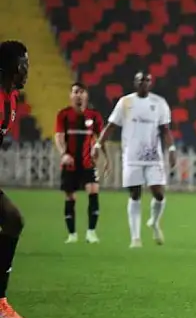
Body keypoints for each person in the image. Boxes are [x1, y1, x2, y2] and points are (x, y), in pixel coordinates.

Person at [93, 72, 175, 248]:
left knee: (159, 194)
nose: (143, 83)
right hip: (132, 156)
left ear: (151, 83)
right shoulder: (125, 102)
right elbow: (111, 125)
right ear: (135, 83)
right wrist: (99, 145)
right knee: (135, 194)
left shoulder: (159, 103)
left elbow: (165, 129)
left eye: (146, 81)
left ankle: (154, 221)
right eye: (140, 81)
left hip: (153, 157)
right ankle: (135, 238)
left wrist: (172, 149)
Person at [54, 82, 107, 244]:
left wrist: (106, 158)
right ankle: (72, 234)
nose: (78, 95)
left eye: (81, 92)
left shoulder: (94, 116)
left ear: (86, 95)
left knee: (93, 191)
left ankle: (91, 232)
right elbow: (59, 136)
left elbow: (101, 138)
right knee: (70, 197)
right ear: (70, 96)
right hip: (70, 163)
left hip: (87, 162)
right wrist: (63, 154)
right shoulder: (63, 115)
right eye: (75, 92)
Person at [0, 40, 29, 318]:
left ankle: (0, 301)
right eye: (24, 64)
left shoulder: (11, 99)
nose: (27, 70)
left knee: (13, 220)